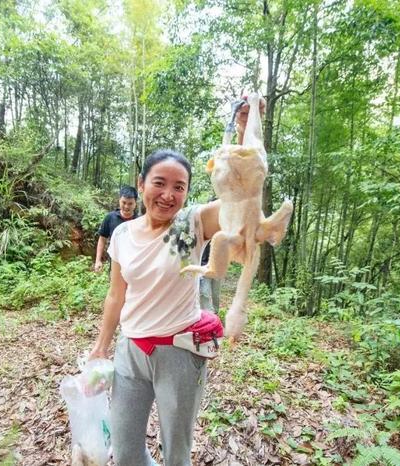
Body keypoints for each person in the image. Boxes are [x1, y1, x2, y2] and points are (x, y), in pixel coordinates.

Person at [88, 98, 258, 466]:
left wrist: (246, 133)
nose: (168, 195)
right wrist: (101, 346)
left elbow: (240, 198)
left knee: (176, 455)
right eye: (159, 183)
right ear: (141, 183)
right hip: (130, 353)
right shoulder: (122, 235)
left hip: (179, 354)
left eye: (179, 187)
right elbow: (116, 296)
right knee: (127, 452)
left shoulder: (190, 225)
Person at [93, 186, 138, 273]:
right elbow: (102, 239)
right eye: (123, 202)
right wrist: (98, 260)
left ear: (135, 203)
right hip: (115, 265)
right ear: (119, 201)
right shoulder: (110, 218)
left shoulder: (139, 220)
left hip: (134, 266)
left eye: (130, 203)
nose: (126, 206)